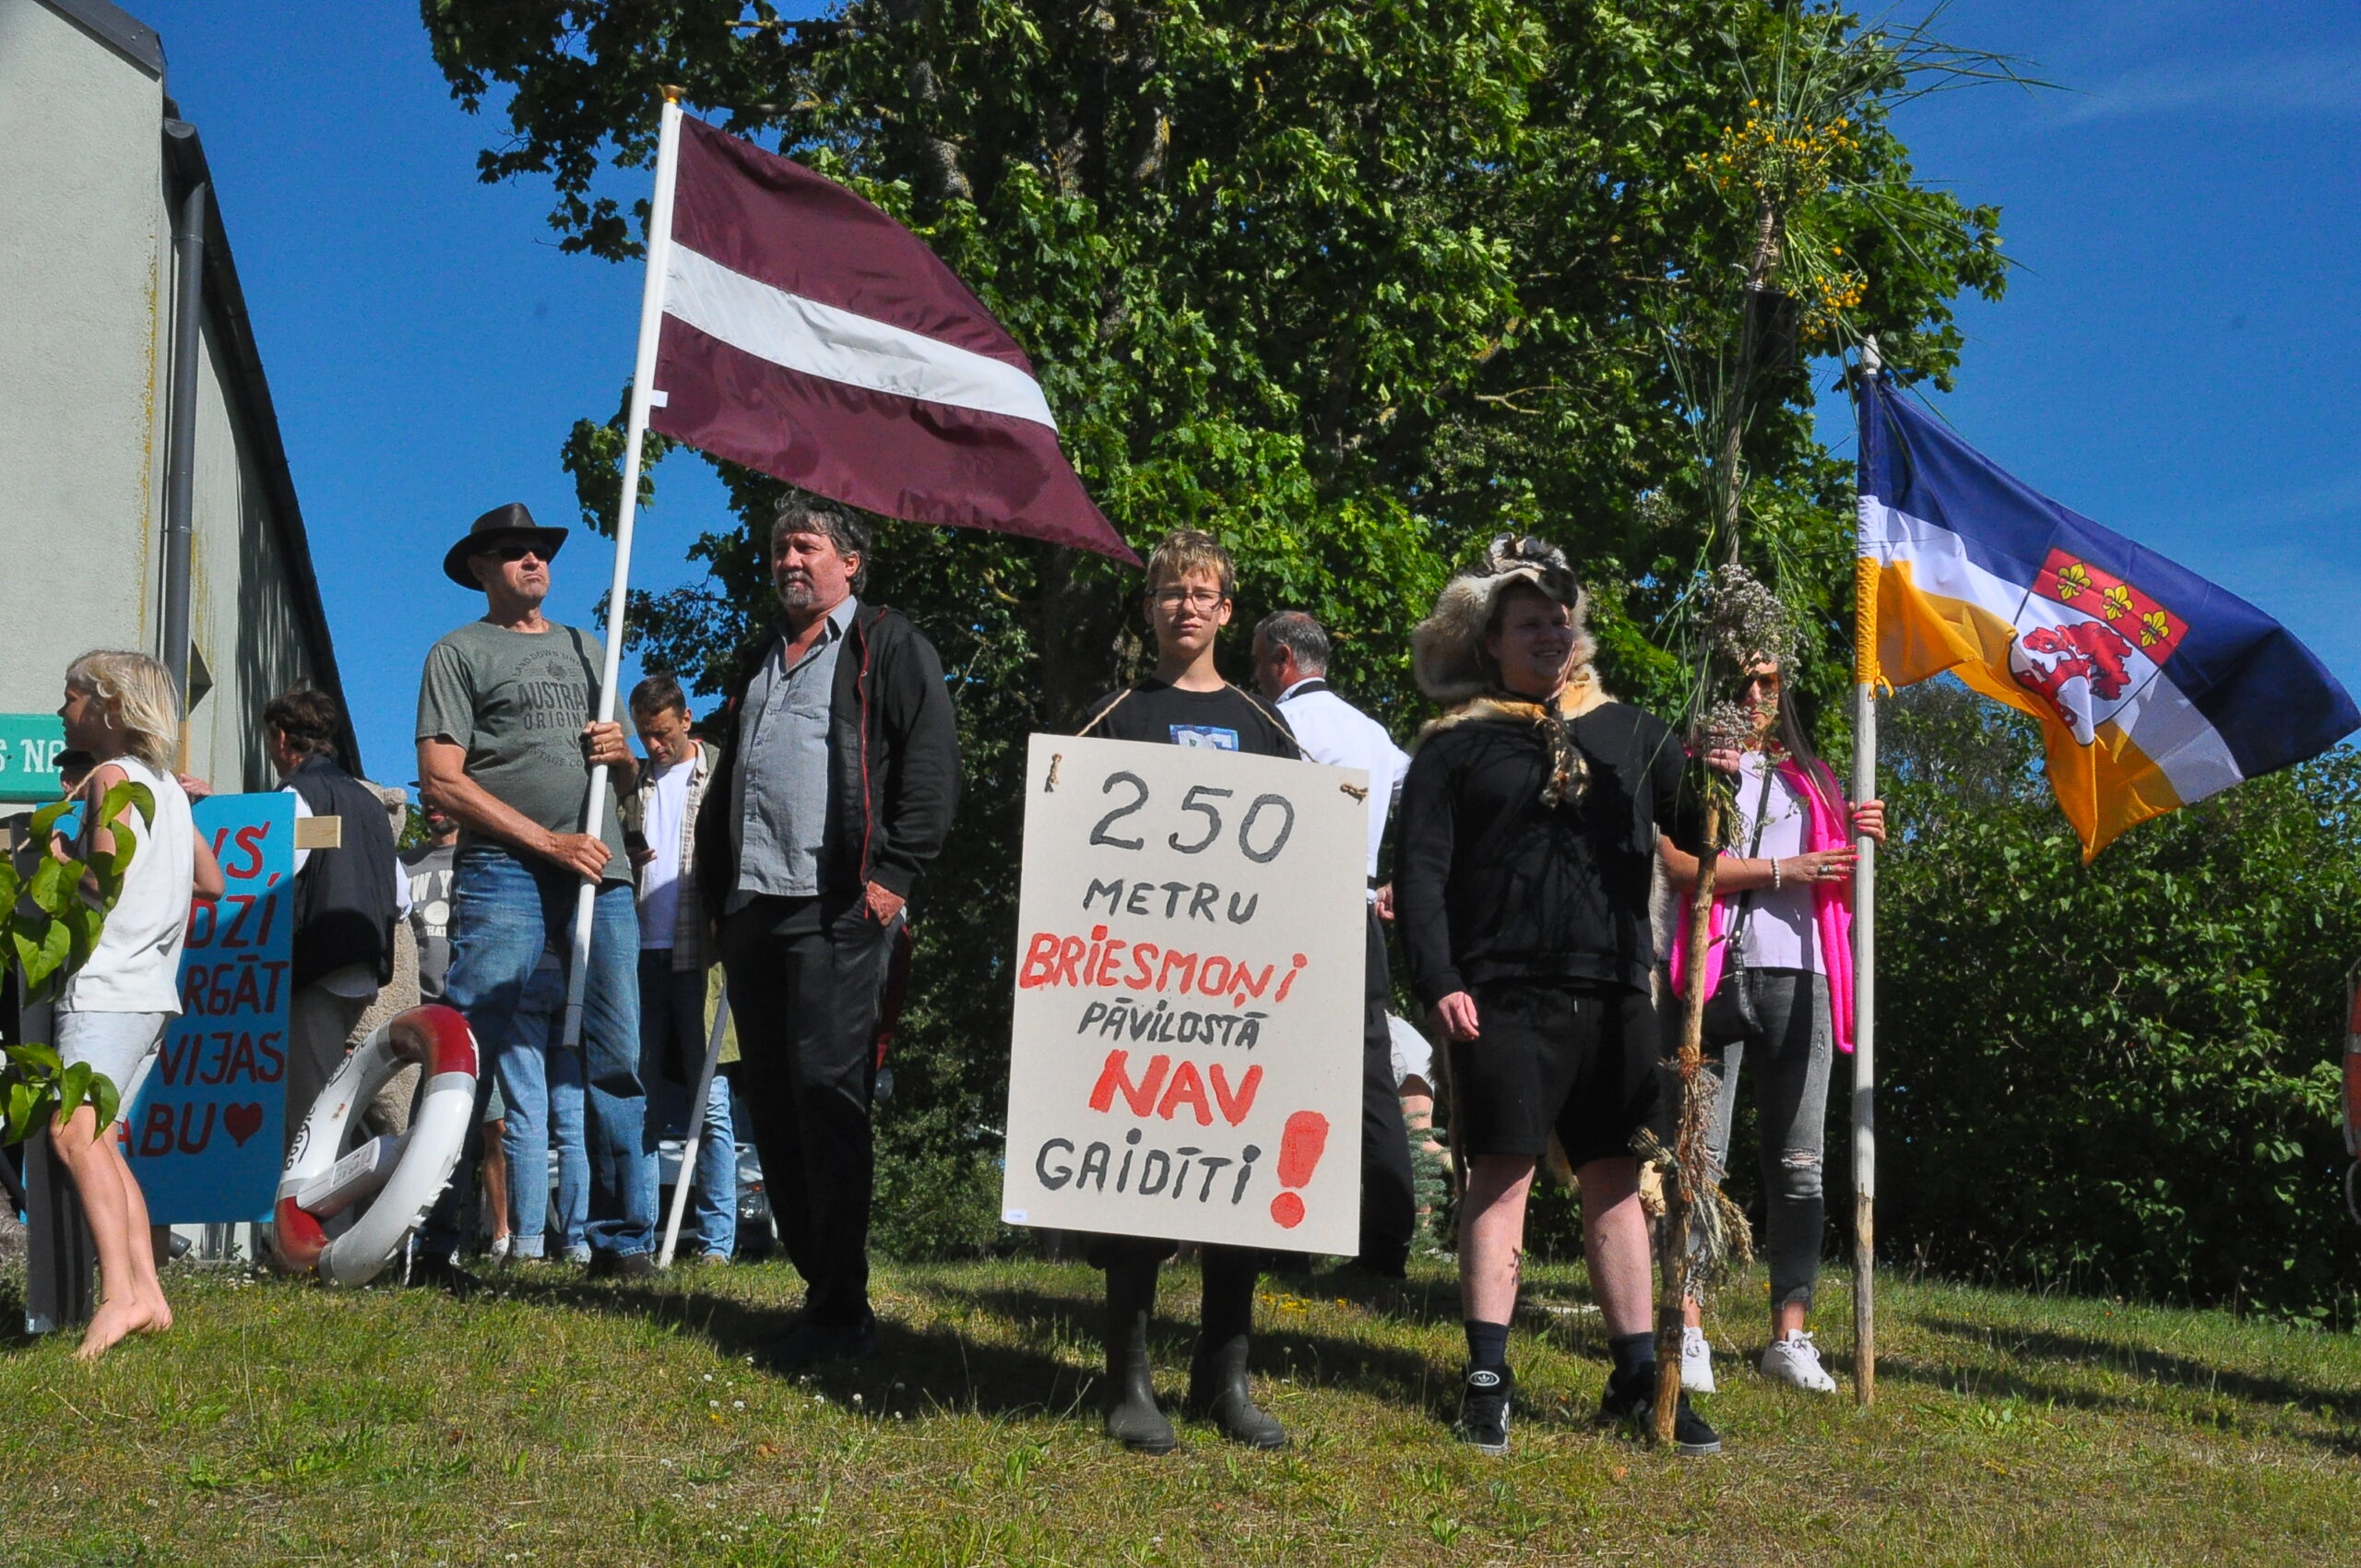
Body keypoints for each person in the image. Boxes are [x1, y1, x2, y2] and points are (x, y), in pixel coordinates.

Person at [1394, 535, 1718, 1457]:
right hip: (1500, 990)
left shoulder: (1633, 735)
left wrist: (1716, 764)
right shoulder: (1454, 747)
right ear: (1492, 640)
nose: (1549, 633)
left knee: (1617, 1179)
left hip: (1615, 989)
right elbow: (1420, 873)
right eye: (1529, 621)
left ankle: (1635, 1375)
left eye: (1559, 620)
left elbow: (1702, 828)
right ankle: (1487, 1376)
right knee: (1501, 1174)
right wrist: (1439, 979)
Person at [695, 495, 958, 1356]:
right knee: (772, 1099)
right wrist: (715, 897)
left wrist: (893, 877)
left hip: (837, 907)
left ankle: (843, 1303)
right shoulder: (760, 657)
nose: (789, 561)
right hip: (752, 909)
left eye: (806, 547)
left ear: (850, 562)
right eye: (781, 549)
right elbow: (732, 780)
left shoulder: (889, 645)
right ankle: (819, 1289)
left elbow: (931, 763)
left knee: (828, 1092)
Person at [1074, 529, 1301, 1455]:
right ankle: (1127, 1379)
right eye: (1170, 592)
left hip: (1239, 990)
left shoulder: (1263, 724)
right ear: (1150, 607)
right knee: (1138, 1175)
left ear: (1226, 611)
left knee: (1234, 1172)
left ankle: (1223, 1375)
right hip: (1140, 990)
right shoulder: (1112, 716)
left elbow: (1304, 847)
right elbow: (1065, 834)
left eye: (1202, 593)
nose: (1186, 607)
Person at [415, 501, 653, 1284]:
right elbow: (442, 782)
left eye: (540, 550)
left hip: (601, 872)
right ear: (480, 569)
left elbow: (626, 781)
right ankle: (433, 1233)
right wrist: (548, 842)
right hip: (506, 870)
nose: (533, 561)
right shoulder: (459, 652)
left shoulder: (591, 649)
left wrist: (623, 757)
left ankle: (621, 1242)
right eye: (514, 551)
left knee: (617, 1052)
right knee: (470, 1043)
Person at [1659, 657, 1885, 1394]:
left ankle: (1790, 1333)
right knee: (1700, 1156)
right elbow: (1677, 866)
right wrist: (1786, 870)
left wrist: (1868, 839)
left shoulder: (1813, 780)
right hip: (1713, 971)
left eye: (1769, 682)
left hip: (1805, 974)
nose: (1754, 695)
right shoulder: (1691, 768)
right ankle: (1687, 1325)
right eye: (1740, 679)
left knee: (1799, 1164)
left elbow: (1841, 877)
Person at [47, 651, 222, 1359]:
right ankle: (149, 1293)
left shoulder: (109, 778)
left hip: (106, 986)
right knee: (104, 1139)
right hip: (152, 992)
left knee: (72, 1132)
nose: (63, 711)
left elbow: (102, 880)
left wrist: (60, 858)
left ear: (108, 706)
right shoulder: (168, 790)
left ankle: (119, 1294)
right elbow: (210, 882)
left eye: (71, 697)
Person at [1252, 609, 1418, 1277]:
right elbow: (1421, 790)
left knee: (1278, 1071)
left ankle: (1286, 1239)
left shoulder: (1275, 723)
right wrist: (1401, 876)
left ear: (1283, 660)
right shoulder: (1369, 731)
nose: (1255, 676)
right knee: (1371, 1076)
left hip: (1290, 911)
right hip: (1357, 913)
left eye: (1258, 662)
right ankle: (1386, 1242)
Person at [257, 690, 401, 1158]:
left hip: (314, 968)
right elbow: (401, 897)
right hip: (363, 969)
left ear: (282, 737)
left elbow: (275, 873)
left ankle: (326, 1206)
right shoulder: (369, 804)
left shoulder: (298, 794)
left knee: (308, 1117)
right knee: (335, 1102)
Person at [627, 671, 735, 1264]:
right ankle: (639, 1238)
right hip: (639, 952)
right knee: (638, 1095)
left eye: (663, 733)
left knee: (709, 1100)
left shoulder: (720, 776)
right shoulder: (630, 784)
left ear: (686, 720)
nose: (655, 745)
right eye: (645, 734)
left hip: (701, 954)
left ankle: (717, 1243)